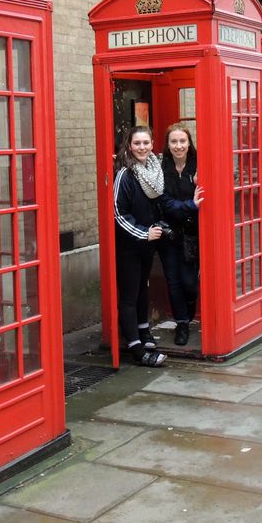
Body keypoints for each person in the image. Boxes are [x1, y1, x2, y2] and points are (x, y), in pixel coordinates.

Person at [114, 126, 167, 366]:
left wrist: (158, 227)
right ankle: (135, 346)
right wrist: (144, 232)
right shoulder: (125, 174)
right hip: (130, 244)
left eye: (146, 142)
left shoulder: (154, 170)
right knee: (129, 295)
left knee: (143, 289)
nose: (142, 147)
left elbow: (157, 204)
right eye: (137, 143)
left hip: (149, 242)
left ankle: (144, 332)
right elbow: (119, 212)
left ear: (153, 143)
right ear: (129, 146)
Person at [159, 122, 205, 346]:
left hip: (192, 234)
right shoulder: (159, 168)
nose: (178, 146)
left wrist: (190, 205)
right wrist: (191, 205)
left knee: (189, 283)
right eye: (174, 141)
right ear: (168, 145)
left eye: (182, 141)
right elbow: (164, 203)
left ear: (189, 143)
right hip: (169, 234)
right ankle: (182, 324)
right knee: (173, 282)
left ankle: (188, 312)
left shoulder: (199, 166)